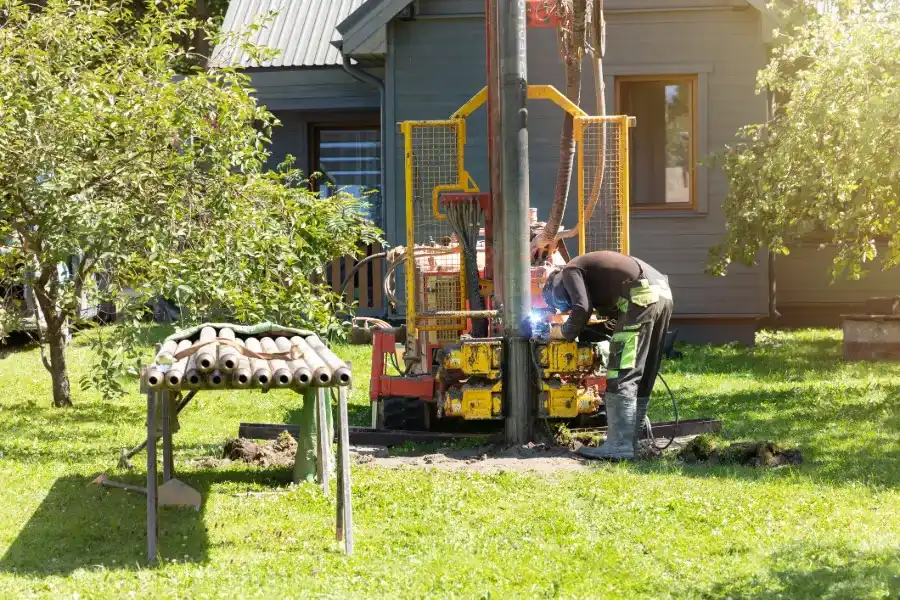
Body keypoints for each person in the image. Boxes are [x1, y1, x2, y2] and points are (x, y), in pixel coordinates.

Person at [541, 250, 674, 460]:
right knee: (644, 370)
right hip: (662, 293)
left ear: (554, 287)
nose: (564, 308)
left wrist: (561, 332)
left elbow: (582, 308)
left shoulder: (569, 270)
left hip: (640, 295)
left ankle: (618, 445)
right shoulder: (594, 274)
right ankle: (631, 441)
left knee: (622, 370)